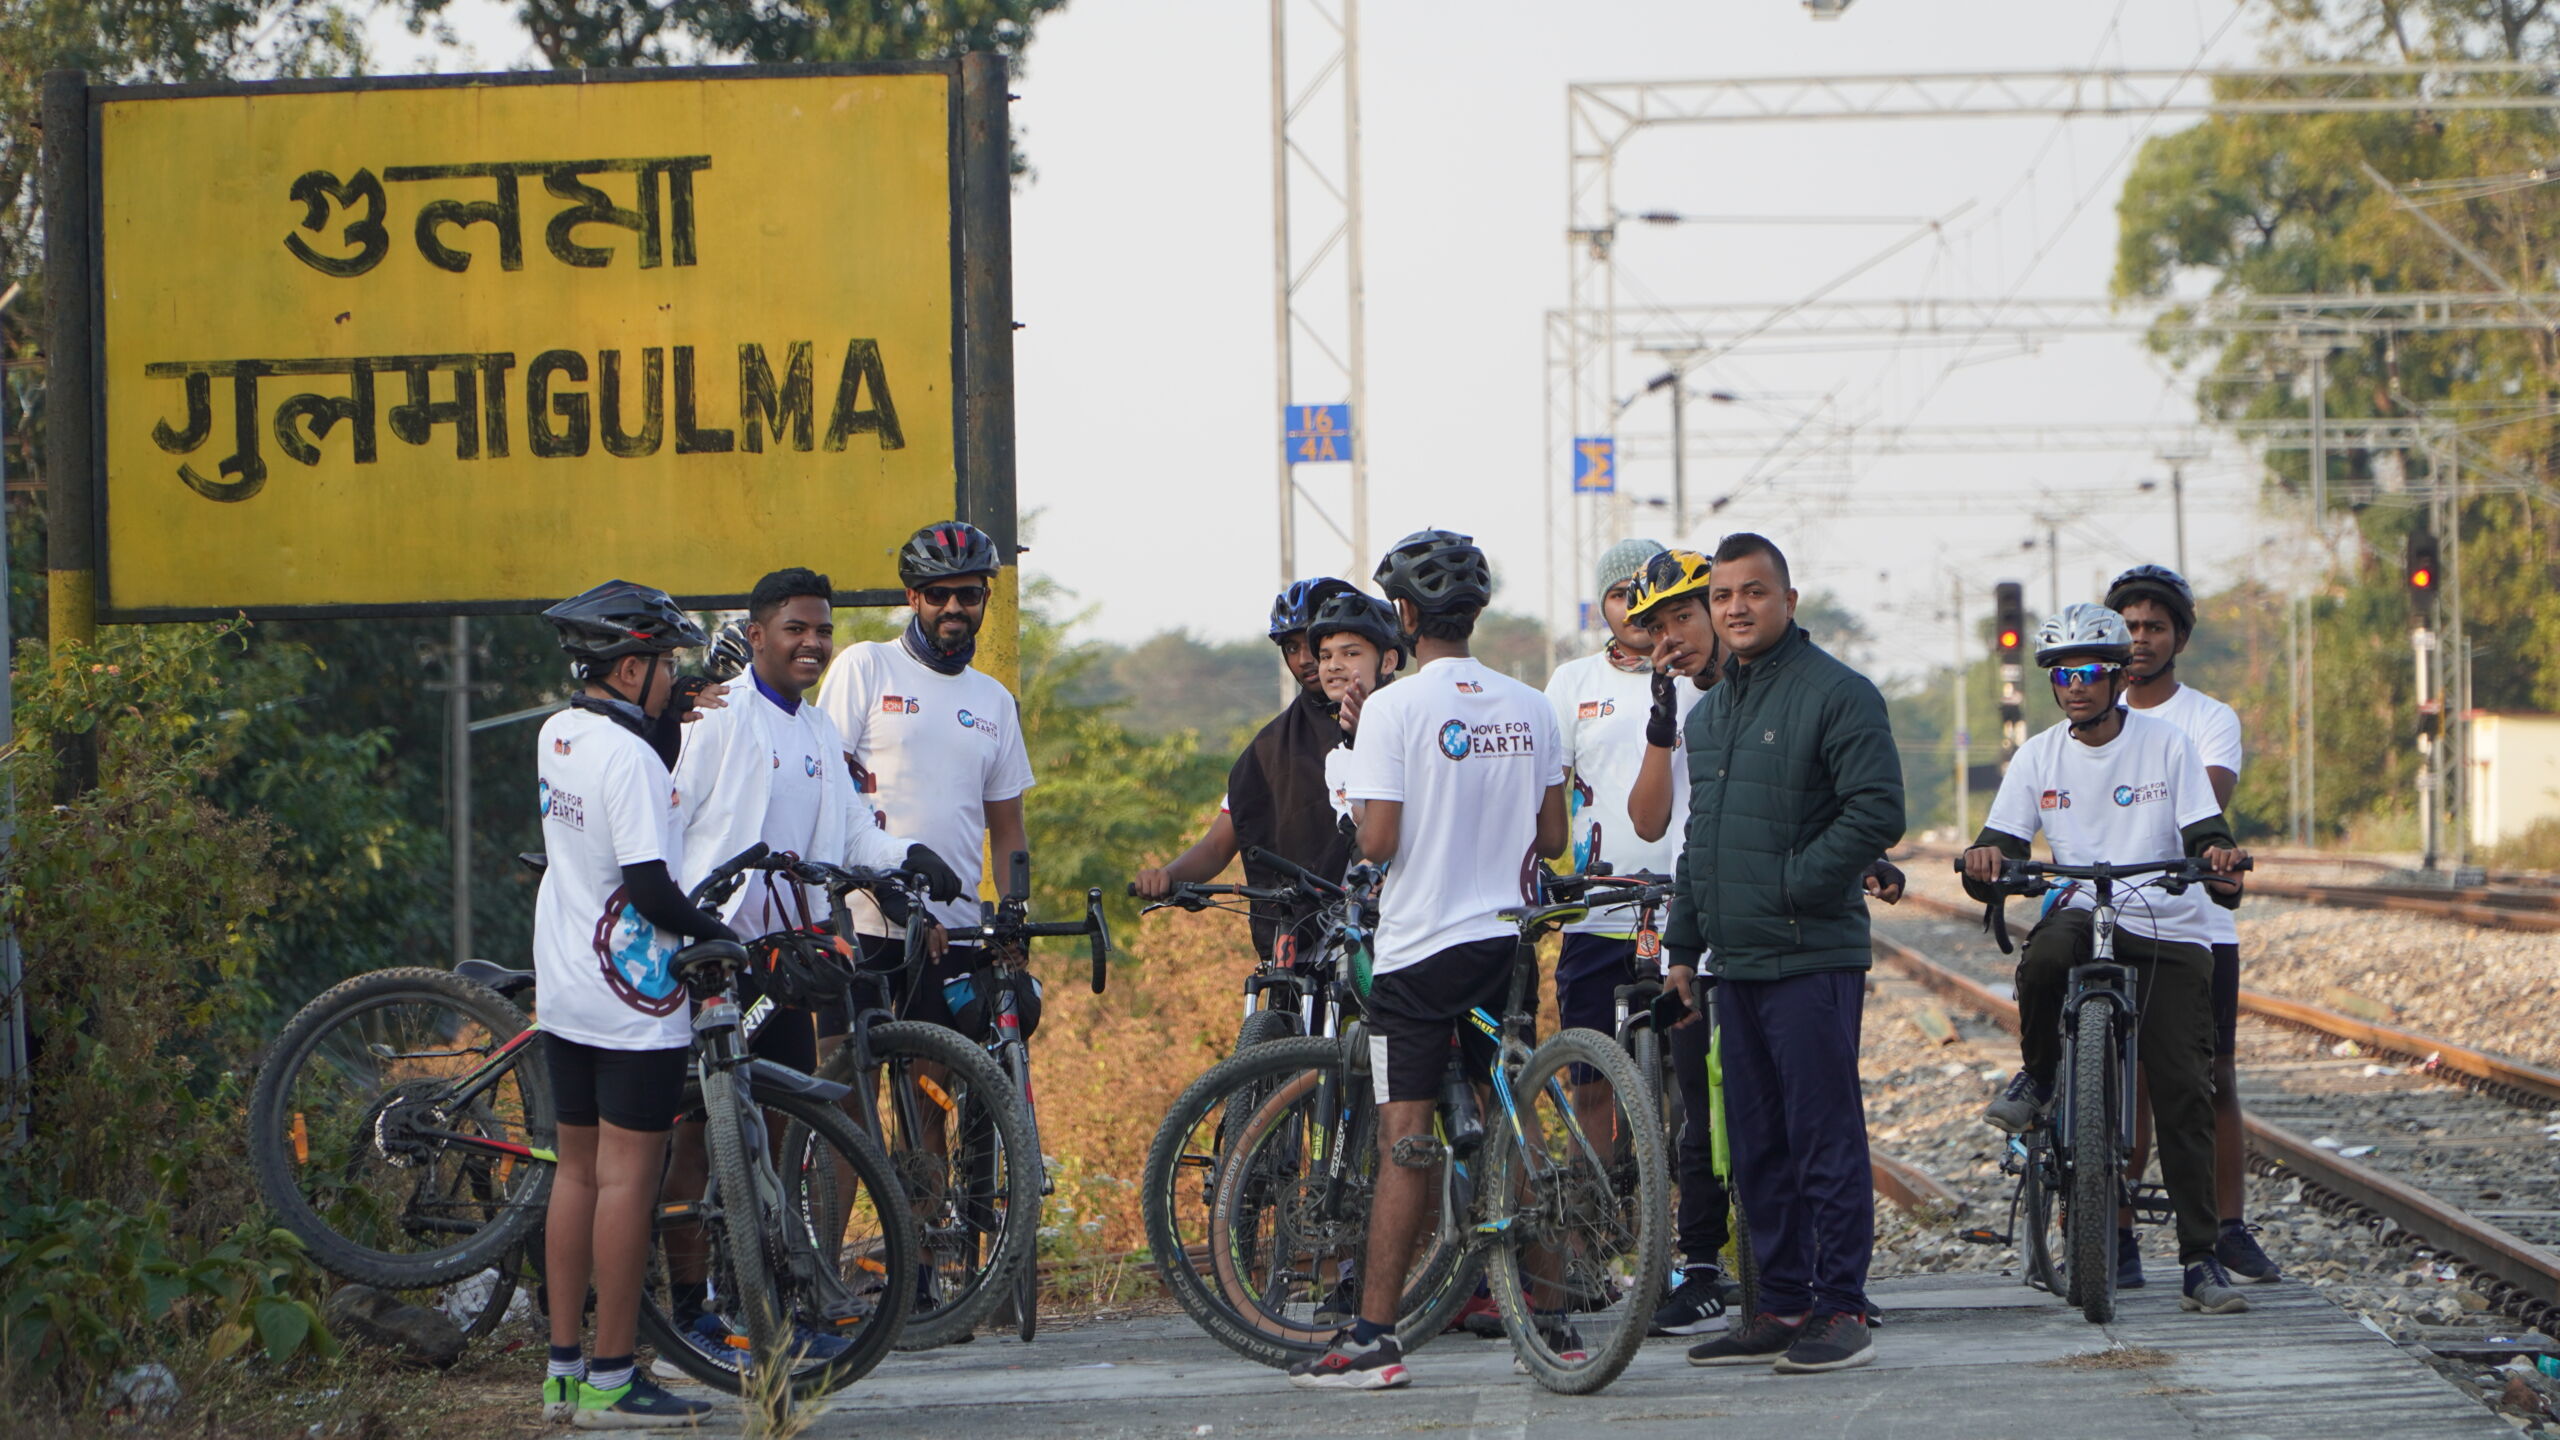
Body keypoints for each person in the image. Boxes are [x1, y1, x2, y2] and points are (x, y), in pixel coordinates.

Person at [1287, 530, 1568, 1390]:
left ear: (1403, 617)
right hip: (1506, 941)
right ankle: (1556, 1321)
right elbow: (1552, 835)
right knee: (1508, 1116)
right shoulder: (1532, 704)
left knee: (1405, 1137)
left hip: (1419, 949)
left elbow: (1377, 839)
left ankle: (1374, 1339)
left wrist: (1358, 804)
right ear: (1475, 613)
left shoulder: (1394, 710)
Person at [661, 568, 964, 1361]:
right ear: (756, 634)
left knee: (789, 1130)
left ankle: (777, 1305)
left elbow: (852, 833)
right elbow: (663, 822)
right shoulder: (719, 718)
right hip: (713, 956)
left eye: (823, 630)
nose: (813, 644)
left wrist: (908, 859)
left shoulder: (816, 732)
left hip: (787, 961)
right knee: (699, 1133)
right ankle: (689, 1315)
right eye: (796, 629)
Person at [1962, 602, 2253, 1319]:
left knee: (2185, 1088)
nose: (2076, 686)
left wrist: (2216, 857)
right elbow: (1999, 841)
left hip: (2165, 918)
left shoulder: (2167, 745)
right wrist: (1986, 861)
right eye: (2062, 674)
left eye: (2091, 671)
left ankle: (2199, 1259)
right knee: (2040, 960)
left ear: (2120, 676)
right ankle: (2039, 1074)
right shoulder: (2037, 756)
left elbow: (2206, 829)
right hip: (2080, 908)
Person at [1664, 533, 1904, 1375]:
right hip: (1734, 963)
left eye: (1754, 592)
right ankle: (1781, 1304)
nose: (1736, 607)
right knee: (1758, 1144)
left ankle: (1840, 1308)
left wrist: (1795, 884)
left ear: (1788, 600)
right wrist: (1684, 944)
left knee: (1823, 1138)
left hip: (1811, 955)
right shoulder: (1710, 712)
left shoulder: (1839, 693)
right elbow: (1699, 840)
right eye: (1724, 594)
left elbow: (1877, 812)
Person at [531, 580, 730, 1428]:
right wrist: (715, 933)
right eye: (667, 665)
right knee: (626, 1181)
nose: (676, 679)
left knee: (575, 1173)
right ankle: (616, 1374)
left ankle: (565, 1374)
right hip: (635, 995)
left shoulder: (560, 734)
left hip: (566, 981)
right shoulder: (634, 761)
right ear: (633, 665)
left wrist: (664, 715)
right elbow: (650, 882)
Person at [1544, 540, 1731, 1338]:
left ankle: (1700, 1258)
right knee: (1591, 1083)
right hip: (1600, 909)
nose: (1638, 607)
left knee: (1696, 1089)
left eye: (1654, 596)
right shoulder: (1572, 685)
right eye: (1622, 594)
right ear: (1604, 606)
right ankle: (1588, 1251)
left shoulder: (1707, 677)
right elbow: (1546, 799)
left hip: (1695, 909)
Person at [2104, 564, 2278, 1286]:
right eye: (2130, 627)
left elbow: (2199, 811)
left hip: (2197, 923)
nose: (2140, 640)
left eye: (2155, 627)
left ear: (2180, 636)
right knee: (2125, 1080)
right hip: (2114, 917)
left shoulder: (2208, 719)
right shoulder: (2088, 708)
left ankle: (2228, 1227)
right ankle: (2114, 1235)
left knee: (2214, 1077)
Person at [812, 521, 1038, 1048]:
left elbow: (1007, 828)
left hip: (949, 926)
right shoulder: (866, 664)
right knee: (845, 1079)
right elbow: (827, 786)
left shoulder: (994, 701)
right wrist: (876, 880)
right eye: (938, 593)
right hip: (862, 913)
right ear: (913, 596)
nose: (953, 607)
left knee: (932, 1094)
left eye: (968, 594)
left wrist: (1013, 912)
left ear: (985, 598)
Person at [1134, 579, 1361, 958]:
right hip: (1304, 941)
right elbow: (1217, 844)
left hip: (1387, 933)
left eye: (1314, 644)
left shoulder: (1398, 722)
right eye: (1291, 647)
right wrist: (1168, 876)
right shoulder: (1269, 748)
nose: (1304, 659)